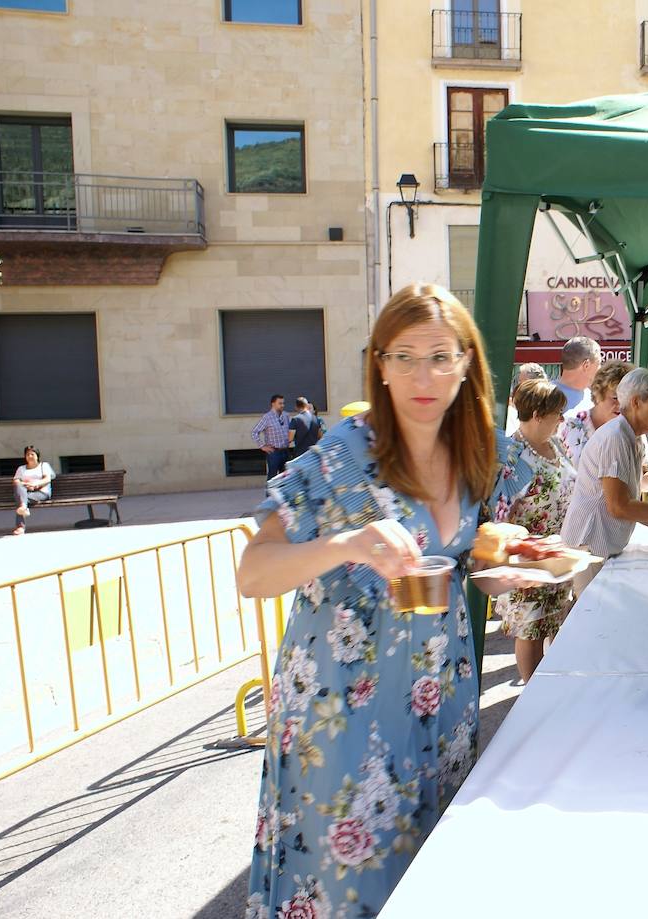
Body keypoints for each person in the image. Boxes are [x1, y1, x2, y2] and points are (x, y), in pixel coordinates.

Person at [237, 283, 534, 918]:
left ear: (466, 363)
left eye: (439, 356)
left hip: (440, 697)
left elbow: (464, 564)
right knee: (347, 884)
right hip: (343, 711)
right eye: (403, 356)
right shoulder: (343, 457)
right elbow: (253, 572)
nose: (421, 375)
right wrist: (347, 543)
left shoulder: (483, 453)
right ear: (380, 364)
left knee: (428, 876)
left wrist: (497, 573)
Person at [562, 368, 648, 590]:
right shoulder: (615, 438)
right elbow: (619, 507)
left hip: (600, 547)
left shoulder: (630, 436)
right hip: (590, 548)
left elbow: (628, 503)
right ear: (636, 402)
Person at [494, 380, 577, 684]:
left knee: (554, 622)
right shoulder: (513, 454)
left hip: (558, 555)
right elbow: (499, 512)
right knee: (531, 628)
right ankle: (531, 691)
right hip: (529, 560)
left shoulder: (555, 444)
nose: (562, 419)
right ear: (539, 414)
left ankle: (550, 686)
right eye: (558, 412)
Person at [560, 360, 633, 465]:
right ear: (598, 394)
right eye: (615, 398)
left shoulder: (632, 430)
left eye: (626, 399)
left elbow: (642, 474)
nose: (621, 405)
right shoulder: (569, 425)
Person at [552, 338, 602, 422]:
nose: (600, 368)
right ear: (586, 365)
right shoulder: (547, 396)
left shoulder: (594, 397)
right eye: (599, 363)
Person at [10, 445, 54, 537]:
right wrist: (26, 484)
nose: (30, 456)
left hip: (41, 492)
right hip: (26, 492)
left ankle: (20, 526)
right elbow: (16, 481)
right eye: (27, 455)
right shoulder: (21, 468)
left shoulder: (44, 465)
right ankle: (24, 507)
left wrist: (34, 484)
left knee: (21, 500)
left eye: (32, 454)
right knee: (19, 487)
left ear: (37, 456)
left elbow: (47, 479)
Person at [251, 393, 290, 482]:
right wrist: (262, 446)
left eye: (283, 403)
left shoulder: (286, 415)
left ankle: (283, 496)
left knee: (285, 477)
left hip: (285, 450)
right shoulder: (267, 417)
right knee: (272, 477)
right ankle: (270, 496)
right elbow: (255, 432)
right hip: (274, 452)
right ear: (273, 404)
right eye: (280, 403)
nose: (282, 405)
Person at [505, 362, 547, 434]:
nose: (518, 386)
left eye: (521, 382)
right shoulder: (511, 408)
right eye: (518, 382)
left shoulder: (547, 408)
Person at [288, 396, 324, 461]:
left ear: (296, 407)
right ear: (307, 405)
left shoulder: (295, 419)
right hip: (314, 454)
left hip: (300, 454)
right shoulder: (316, 419)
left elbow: (290, 438)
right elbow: (320, 436)